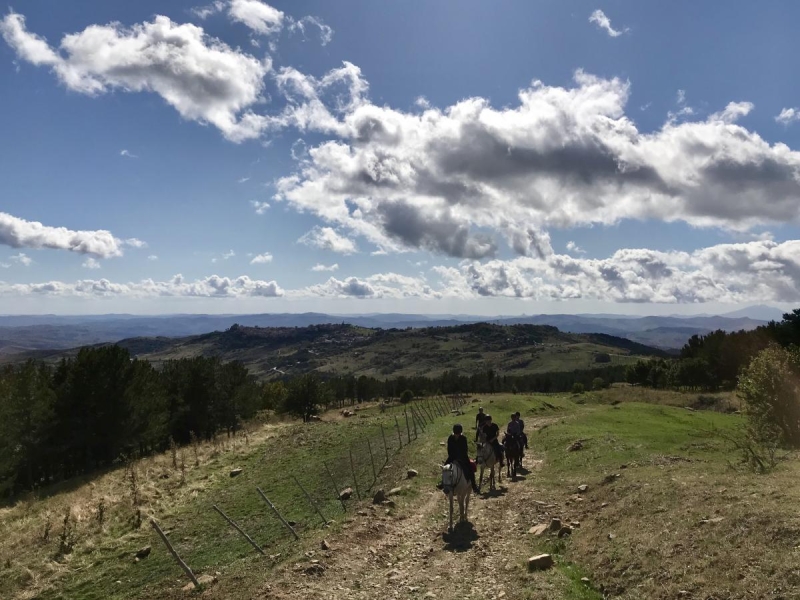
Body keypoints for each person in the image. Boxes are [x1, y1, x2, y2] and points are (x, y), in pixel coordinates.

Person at [445, 424, 479, 493]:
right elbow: (449, 449)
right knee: (444, 468)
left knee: (470, 469)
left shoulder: (463, 438)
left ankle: (474, 485)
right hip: (452, 457)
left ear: (460, 433)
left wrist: (459, 459)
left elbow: (465, 450)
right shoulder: (450, 438)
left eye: (458, 434)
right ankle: (443, 483)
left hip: (462, 457)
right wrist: (453, 458)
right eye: (455, 434)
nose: (457, 435)